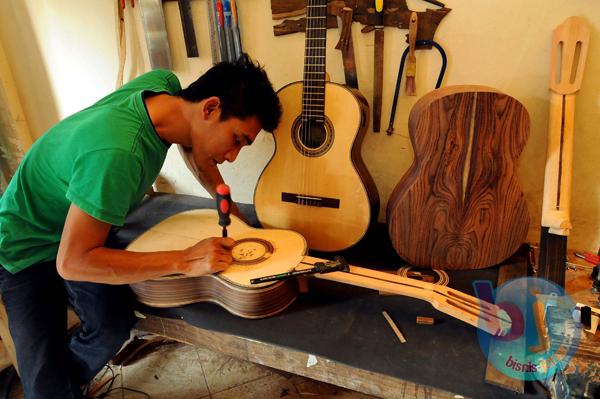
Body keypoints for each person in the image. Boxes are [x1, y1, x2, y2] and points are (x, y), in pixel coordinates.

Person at [0, 54, 281, 398]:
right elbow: (71, 262)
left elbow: (192, 141)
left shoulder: (165, 88)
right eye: (237, 139)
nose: (234, 155)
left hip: (85, 225)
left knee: (112, 325)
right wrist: (186, 259)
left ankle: (62, 379)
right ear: (209, 108)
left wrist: (235, 217)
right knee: (45, 387)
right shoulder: (119, 155)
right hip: (23, 245)